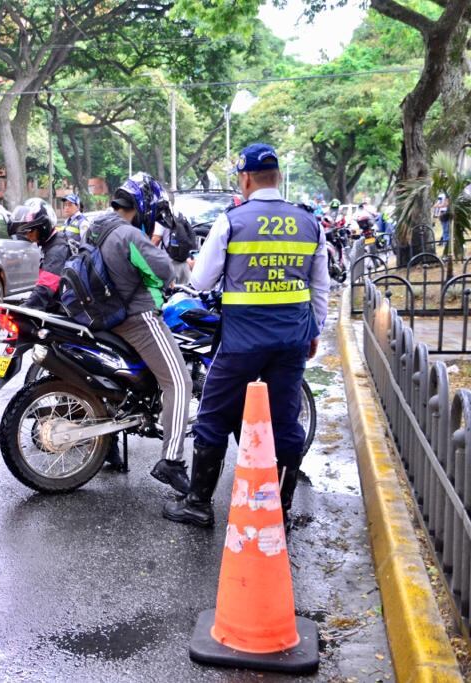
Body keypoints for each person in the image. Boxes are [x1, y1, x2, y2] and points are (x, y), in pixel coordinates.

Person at [163, 143, 330, 528]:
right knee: (285, 421)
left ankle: (198, 504)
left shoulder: (233, 220)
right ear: (278, 177)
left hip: (240, 343)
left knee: (214, 415)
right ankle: (280, 511)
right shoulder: (309, 222)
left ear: (246, 178)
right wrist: (313, 331)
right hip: (291, 341)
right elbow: (320, 289)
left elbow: (202, 280)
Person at [84, 177, 193, 495]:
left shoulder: (94, 226)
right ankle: (171, 461)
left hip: (102, 316)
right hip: (137, 319)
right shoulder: (129, 235)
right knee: (179, 382)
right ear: (142, 206)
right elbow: (164, 271)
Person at [11, 198, 71, 312]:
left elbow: (46, 286)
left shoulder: (57, 249)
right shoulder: (51, 243)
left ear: (43, 227)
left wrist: (27, 308)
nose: (27, 236)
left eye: (30, 231)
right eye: (25, 233)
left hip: (66, 309)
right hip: (57, 304)